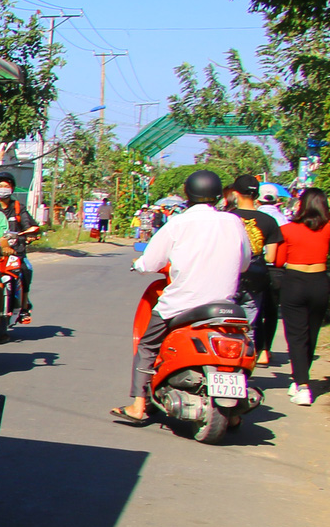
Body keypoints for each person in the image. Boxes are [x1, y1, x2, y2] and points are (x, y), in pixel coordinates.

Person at [113, 168, 251, 424]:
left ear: (188, 194)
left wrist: (139, 265)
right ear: (219, 195)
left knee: (147, 345)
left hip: (181, 304)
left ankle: (138, 405)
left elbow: (152, 261)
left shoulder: (178, 223)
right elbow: (244, 263)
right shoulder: (233, 221)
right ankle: (233, 411)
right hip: (225, 307)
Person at [275, 186, 329, 404]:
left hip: (294, 281)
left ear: (302, 205)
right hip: (320, 282)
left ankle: (303, 384)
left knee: (296, 335)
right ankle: (300, 377)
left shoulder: (288, 229)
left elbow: (278, 261)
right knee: (312, 333)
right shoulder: (327, 228)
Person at [223, 174, 285, 364]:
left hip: (228, 276)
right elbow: (271, 257)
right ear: (256, 195)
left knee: (223, 320)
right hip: (256, 278)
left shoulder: (226, 218)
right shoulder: (269, 222)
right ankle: (244, 361)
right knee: (248, 325)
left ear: (235, 193)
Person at [0, 170, 41, 321]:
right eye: (0, 185)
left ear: (12, 189)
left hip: (15, 252)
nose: (3, 188)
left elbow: (29, 225)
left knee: (26, 269)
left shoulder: (18, 208)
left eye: (6, 185)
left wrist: (28, 235)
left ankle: (24, 307)